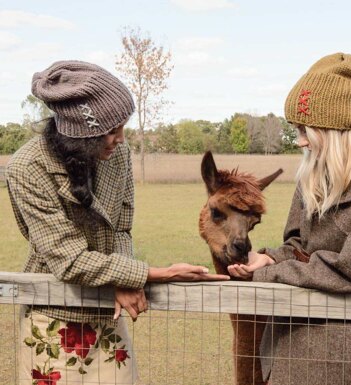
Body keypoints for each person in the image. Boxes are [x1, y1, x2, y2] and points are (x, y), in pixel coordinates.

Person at [6, 60, 229, 385]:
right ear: (81, 134)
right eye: (111, 131)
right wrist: (154, 273)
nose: (121, 139)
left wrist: (124, 281)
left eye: (124, 126)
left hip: (109, 311)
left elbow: (122, 227)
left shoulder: (118, 156)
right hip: (55, 316)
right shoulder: (27, 168)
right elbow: (68, 260)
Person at [227, 53, 351, 385]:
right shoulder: (312, 172)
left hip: (344, 353)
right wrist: (267, 257)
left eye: (305, 129)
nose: (300, 140)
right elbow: (298, 245)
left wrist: (270, 273)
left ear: (334, 126)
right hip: (286, 340)